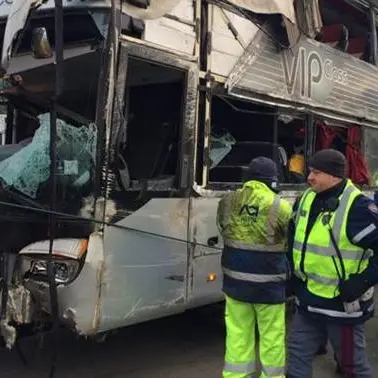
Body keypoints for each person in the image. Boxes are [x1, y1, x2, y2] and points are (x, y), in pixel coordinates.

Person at [286, 149, 378, 378]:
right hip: (308, 300)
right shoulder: (306, 197)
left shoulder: (358, 208)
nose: (309, 177)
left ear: (335, 176)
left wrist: (362, 281)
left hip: (342, 306)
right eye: (310, 170)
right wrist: (294, 275)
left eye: (317, 172)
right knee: (296, 354)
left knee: (352, 366)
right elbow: (294, 236)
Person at [217, 156, 292, 378]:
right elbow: (290, 240)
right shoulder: (280, 205)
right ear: (272, 180)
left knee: (238, 335)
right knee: (271, 337)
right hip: (269, 286)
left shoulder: (228, 201)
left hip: (234, 282)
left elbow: (223, 230)